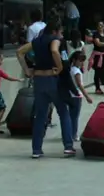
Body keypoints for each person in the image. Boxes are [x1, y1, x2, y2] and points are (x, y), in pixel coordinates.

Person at [16, 19, 76, 159]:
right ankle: (68, 146)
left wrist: (27, 70)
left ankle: (36, 149)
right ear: (55, 31)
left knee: (40, 115)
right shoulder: (54, 40)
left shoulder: (36, 41)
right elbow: (54, 50)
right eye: (60, 32)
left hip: (38, 80)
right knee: (63, 112)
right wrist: (60, 67)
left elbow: (19, 52)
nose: (61, 35)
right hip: (52, 79)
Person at [61, 50, 93, 142]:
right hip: (76, 96)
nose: (82, 62)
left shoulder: (69, 69)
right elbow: (79, 85)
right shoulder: (77, 71)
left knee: (69, 116)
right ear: (75, 60)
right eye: (80, 60)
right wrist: (87, 96)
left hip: (69, 94)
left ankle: (68, 133)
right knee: (74, 117)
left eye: (83, 60)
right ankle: (74, 134)